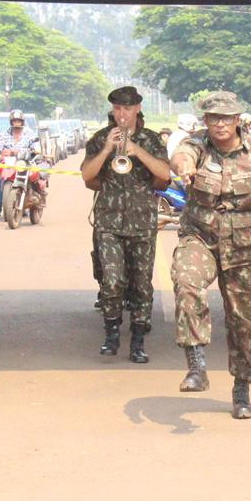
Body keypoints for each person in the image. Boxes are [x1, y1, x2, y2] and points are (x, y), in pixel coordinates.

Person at [170, 91, 251, 419]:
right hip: (201, 237)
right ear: (205, 121)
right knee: (185, 282)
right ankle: (196, 365)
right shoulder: (197, 145)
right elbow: (181, 157)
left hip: (245, 248)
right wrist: (185, 170)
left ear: (239, 119)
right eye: (213, 118)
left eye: (226, 118)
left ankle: (242, 387)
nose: (220, 124)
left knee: (243, 321)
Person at [81, 87, 170, 363]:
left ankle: (139, 339)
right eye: (117, 109)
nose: (122, 114)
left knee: (142, 284)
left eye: (127, 109)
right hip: (108, 221)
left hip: (142, 221)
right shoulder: (99, 139)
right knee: (111, 281)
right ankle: (111, 333)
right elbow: (87, 176)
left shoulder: (152, 140)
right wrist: (109, 148)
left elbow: (165, 175)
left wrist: (137, 150)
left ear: (138, 109)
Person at [0, 109, 37, 220]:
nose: (17, 123)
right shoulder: (4, 135)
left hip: (24, 162)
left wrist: (34, 149)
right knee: (1, 183)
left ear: (22, 122)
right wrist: (0, 152)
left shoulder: (30, 134)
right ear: (11, 122)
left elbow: (36, 146)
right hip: (9, 163)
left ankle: (29, 203)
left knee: (33, 179)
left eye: (19, 121)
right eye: (14, 121)